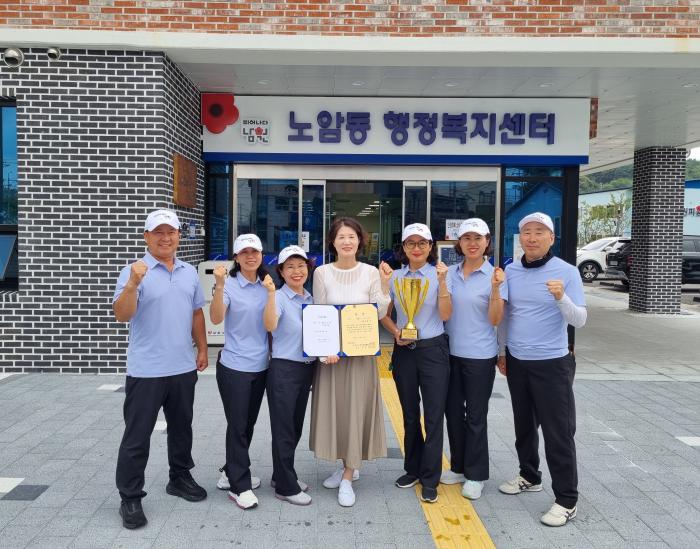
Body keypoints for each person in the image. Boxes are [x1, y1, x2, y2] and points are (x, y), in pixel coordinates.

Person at [112, 209, 208, 530]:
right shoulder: (133, 271)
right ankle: (130, 496)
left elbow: (196, 313)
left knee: (182, 427)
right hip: (146, 370)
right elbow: (122, 315)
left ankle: (179, 477)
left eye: (171, 232)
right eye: (158, 232)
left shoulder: (189, 272)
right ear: (146, 237)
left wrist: (202, 348)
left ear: (179, 235)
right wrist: (132, 284)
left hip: (182, 366)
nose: (165, 238)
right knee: (137, 435)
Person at [497, 212, 587, 527]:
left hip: (552, 364)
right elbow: (507, 315)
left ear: (551, 238)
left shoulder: (567, 272)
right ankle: (529, 475)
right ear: (520, 237)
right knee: (524, 425)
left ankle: (567, 499)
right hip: (518, 361)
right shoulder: (511, 270)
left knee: (558, 432)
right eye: (527, 232)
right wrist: (502, 351)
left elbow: (580, 319)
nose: (532, 237)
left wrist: (561, 297)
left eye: (539, 232)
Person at [310, 217, 391, 507]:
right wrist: (324, 350)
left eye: (352, 237)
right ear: (332, 242)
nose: (347, 242)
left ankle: (348, 475)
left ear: (360, 241)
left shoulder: (370, 272)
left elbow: (379, 312)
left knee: (356, 410)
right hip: (333, 357)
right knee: (339, 411)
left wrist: (384, 285)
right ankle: (347, 464)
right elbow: (319, 312)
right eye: (341, 237)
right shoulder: (322, 272)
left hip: (360, 356)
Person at [380, 223, 451, 504]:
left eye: (422, 243)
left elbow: (446, 314)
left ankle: (431, 477)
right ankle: (412, 469)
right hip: (405, 351)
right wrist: (395, 332)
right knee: (409, 413)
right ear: (404, 248)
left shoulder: (440, 274)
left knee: (433, 416)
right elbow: (383, 313)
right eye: (411, 243)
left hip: (434, 350)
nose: (417, 248)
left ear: (430, 247)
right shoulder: (395, 277)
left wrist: (443, 284)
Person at [441, 218, 507, 501]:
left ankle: (476, 474)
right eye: (467, 238)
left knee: (476, 416)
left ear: (487, 242)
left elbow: (496, 319)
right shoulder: (450, 273)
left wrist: (495, 289)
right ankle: (458, 466)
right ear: (459, 242)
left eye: (478, 238)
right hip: (449, 353)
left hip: (480, 356)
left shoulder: (496, 276)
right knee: (453, 413)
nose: (472, 243)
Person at [210, 233, 274, 510]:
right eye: (244, 252)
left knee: (247, 425)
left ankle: (229, 472)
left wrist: (271, 292)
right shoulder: (229, 285)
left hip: (261, 366)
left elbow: (271, 324)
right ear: (236, 257)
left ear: (261, 255)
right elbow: (215, 318)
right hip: (234, 367)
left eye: (255, 251)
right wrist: (219, 286)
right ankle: (239, 485)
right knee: (237, 426)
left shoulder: (268, 284)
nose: (250, 256)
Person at [263, 245, 316, 506]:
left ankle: (281, 475)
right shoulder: (280, 297)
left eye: (301, 266)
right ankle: (286, 487)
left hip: (306, 369)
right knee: (283, 428)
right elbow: (270, 325)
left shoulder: (311, 298)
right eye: (290, 267)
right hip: (284, 369)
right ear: (281, 272)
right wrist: (271, 294)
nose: (297, 271)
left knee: (294, 427)